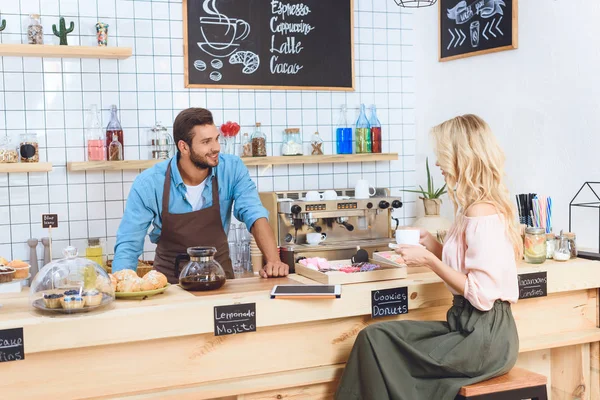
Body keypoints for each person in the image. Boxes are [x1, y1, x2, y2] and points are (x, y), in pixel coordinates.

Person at [335, 114, 522, 400]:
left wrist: (429, 260)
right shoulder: (473, 208)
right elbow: (469, 270)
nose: (437, 163)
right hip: (468, 329)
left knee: (377, 341)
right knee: (375, 338)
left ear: (463, 157)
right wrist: (432, 245)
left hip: (482, 339)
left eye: (442, 155)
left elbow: (482, 294)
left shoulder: (479, 212)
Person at [112, 108, 289, 282]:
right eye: (206, 142)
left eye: (216, 138)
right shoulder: (149, 183)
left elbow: (255, 213)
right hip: (170, 283)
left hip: (219, 277)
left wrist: (274, 261)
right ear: (184, 147)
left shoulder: (232, 169)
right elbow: (129, 243)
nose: (216, 147)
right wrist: (120, 286)